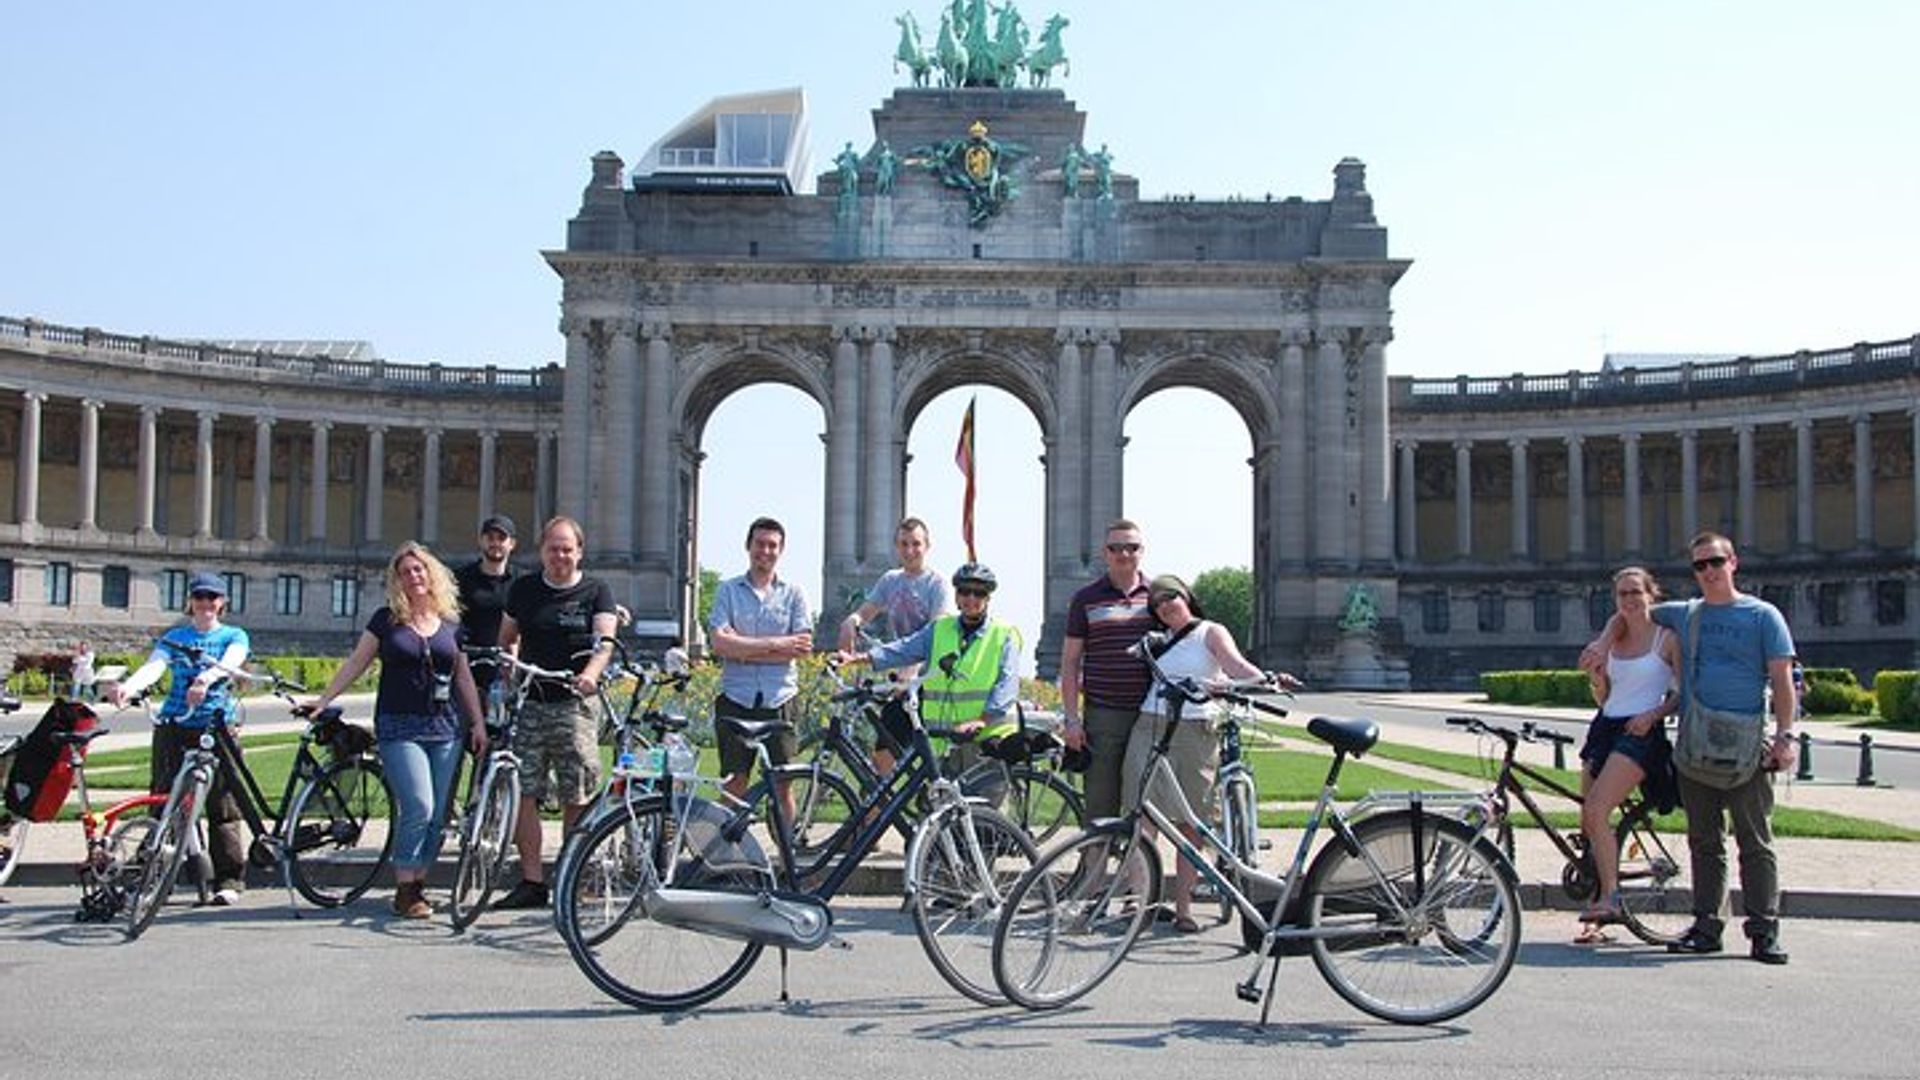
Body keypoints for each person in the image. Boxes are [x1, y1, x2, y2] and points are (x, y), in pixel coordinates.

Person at [1582, 531, 1796, 965]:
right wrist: (1605, 640)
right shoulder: (1685, 614)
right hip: (1695, 744)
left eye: (1715, 562)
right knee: (1704, 841)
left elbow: (1781, 679)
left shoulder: (1762, 615)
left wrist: (1785, 736)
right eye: (1699, 565)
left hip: (1746, 743)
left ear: (1733, 562)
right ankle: (1706, 927)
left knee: (1755, 842)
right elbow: (1630, 610)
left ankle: (1764, 930)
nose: (1709, 571)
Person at [307, 542, 487, 918]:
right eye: (405, 572)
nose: (413, 577)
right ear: (397, 581)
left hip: (446, 727)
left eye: (418, 569)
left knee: (439, 813)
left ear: (431, 574)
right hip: (398, 726)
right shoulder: (386, 620)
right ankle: (405, 885)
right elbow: (357, 662)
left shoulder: (451, 625)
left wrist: (478, 724)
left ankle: (418, 882)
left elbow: (464, 677)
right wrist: (323, 701)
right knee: (418, 804)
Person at [1127, 573, 1297, 932]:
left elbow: (1235, 665)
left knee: (1192, 822)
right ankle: (1141, 904)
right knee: (1142, 818)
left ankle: (1184, 908)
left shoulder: (1210, 632)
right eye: (1156, 604)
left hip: (1196, 730)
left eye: (1170, 596)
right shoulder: (1156, 640)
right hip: (1151, 724)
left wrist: (1266, 680)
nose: (1164, 606)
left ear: (1186, 595)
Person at [492, 516, 620, 909]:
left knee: (576, 792)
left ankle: (572, 874)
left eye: (567, 548)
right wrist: (509, 669)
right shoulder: (526, 589)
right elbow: (507, 637)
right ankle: (532, 880)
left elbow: (605, 642)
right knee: (523, 791)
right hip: (533, 702)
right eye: (553, 548)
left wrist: (590, 675)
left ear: (579, 552)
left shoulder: (596, 591)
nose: (560, 555)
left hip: (575, 705)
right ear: (541, 550)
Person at [109, 572, 251, 906]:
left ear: (222, 603)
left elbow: (231, 663)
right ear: (190, 602)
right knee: (163, 799)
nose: (206, 604)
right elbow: (155, 666)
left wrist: (206, 678)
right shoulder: (175, 637)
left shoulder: (234, 635)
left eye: (212, 598)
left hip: (216, 725)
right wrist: (129, 688)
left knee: (223, 804)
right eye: (200, 597)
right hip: (174, 723)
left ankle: (229, 878)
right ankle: (155, 875)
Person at [1572, 566, 1679, 944]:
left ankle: (1612, 898)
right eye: (1623, 594)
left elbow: (1682, 694)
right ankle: (1596, 914)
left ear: (1652, 594)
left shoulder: (1666, 639)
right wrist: (1598, 677)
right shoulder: (1613, 638)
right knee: (1590, 822)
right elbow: (1605, 697)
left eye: (1636, 592)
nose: (1630, 600)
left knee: (1597, 810)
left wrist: (1653, 715)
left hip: (1641, 734)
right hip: (1605, 728)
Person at [837, 561, 1019, 756]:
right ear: (956, 596)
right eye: (965, 591)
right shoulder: (939, 629)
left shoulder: (1004, 634)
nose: (971, 598)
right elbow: (904, 649)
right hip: (945, 742)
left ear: (988, 598)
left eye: (979, 593)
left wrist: (982, 720)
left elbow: (1007, 686)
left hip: (987, 739)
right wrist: (857, 659)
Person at [710, 517, 813, 820]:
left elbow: (803, 647)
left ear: (781, 551)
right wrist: (776, 646)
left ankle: (786, 858)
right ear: (748, 546)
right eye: (760, 544)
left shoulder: (794, 593)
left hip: (779, 700)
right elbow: (719, 644)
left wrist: (743, 648)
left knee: (783, 786)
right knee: (733, 783)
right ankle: (721, 859)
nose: (765, 551)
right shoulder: (727, 590)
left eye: (772, 545)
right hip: (736, 699)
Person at [837, 517, 952, 774]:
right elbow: (867, 611)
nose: (910, 551)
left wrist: (911, 670)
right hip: (900, 680)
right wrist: (851, 621)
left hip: (928, 681)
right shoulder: (891, 580)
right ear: (896, 547)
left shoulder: (937, 584)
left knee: (930, 761)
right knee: (883, 756)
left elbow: (934, 635)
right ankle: (880, 811)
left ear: (927, 546)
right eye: (904, 544)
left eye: (916, 544)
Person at [1059, 519, 1155, 822]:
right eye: (1116, 547)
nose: (1124, 553)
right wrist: (1072, 720)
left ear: (1143, 551)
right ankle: (1096, 868)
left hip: (1151, 714)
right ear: (1105, 553)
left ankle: (1138, 871)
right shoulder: (1085, 598)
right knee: (1100, 807)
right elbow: (1071, 661)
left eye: (1132, 547)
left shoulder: (1159, 597)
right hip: (1104, 717)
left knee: (1144, 807)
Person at [454, 514, 519, 704]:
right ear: (480, 541)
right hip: (470, 664)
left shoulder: (522, 582)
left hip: (509, 665)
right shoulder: (461, 579)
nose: (495, 543)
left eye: (501, 538)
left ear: (512, 544)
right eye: (490, 538)